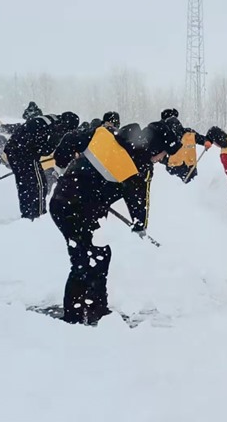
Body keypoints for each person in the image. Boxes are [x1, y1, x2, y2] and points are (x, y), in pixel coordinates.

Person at [49, 119, 184, 325]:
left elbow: (71, 139)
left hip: (74, 205)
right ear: (156, 147)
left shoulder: (104, 136)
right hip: (72, 209)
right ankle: (74, 317)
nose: (161, 159)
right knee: (83, 260)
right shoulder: (139, 165)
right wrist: (140, 224)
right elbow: (139, 201)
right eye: (163, 153)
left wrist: (61, 167)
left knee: (99, 254)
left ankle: (96, 309)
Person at [3, 112, 79, 220]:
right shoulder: (55, 127)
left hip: (14, 151)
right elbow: (43, 150)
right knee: (38, 185)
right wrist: (54, 143)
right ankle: (37, 216)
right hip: (24, 153)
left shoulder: (50, 120)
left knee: (26, 185)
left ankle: (28, 214)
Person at [159, 108, 227, 183]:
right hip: (175, 170)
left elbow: (201, 138)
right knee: (179, 188)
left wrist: (206, 141)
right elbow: (159, 155)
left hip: (190, 168)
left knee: (192, 188)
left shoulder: (190, 133)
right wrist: (166, 161)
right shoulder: (164, 137)